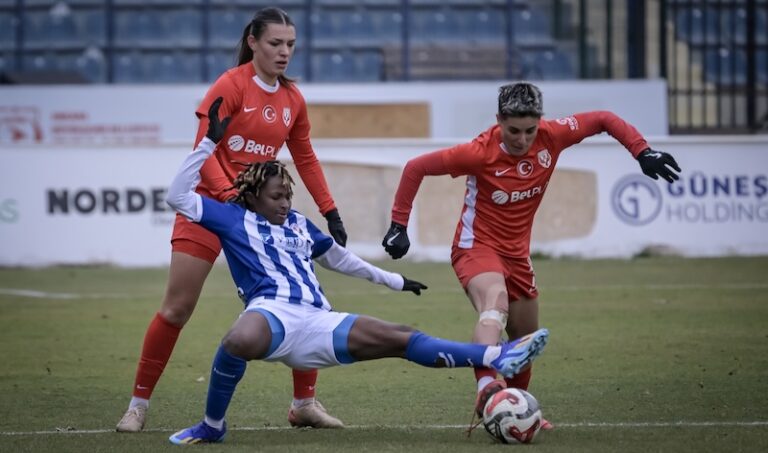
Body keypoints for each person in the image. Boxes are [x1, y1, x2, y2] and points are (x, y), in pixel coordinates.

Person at [163, 98, 549, 444]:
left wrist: (394, 280)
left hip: (318, 322)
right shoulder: (231, 217)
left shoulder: (298, 224)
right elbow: (177, 196)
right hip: (272, 314)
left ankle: (496, 356)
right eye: (276, 197)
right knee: (238, 337)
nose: (285, 204)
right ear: (251, 197)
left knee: (402, 336)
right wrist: (208, 144)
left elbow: (340, 260)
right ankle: (212, 426)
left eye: (288, 196)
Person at [381, 82, 681, 430]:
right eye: (513, 131)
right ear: (498, 120)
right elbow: (415, 167)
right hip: (475, 247)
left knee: (525, 342)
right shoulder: (479, 153)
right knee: (495, 303)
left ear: (540, 123)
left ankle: (518, 411)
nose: (522, 140)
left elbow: (603, 118)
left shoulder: (552, 137)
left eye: (529, 130)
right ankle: (488, 390)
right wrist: (398, 225)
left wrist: (642, 151)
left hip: (517, 256)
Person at [117, 7, 349, 433]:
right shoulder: (230, 85)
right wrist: (228, 198)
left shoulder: (293, 99)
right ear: (253, 43)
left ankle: (304, 405)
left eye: (290, 44)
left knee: (303, 299)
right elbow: (201, 150)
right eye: (275, 43)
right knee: (177, 307)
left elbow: (306, 157)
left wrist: (329, 210)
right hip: (212, 205)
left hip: (260, 214)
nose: (284, 52)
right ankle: (137, 406)